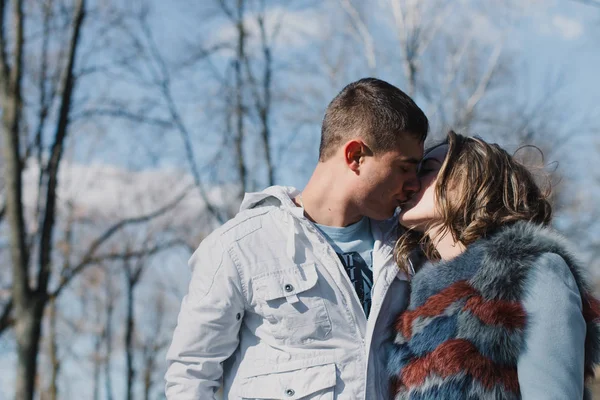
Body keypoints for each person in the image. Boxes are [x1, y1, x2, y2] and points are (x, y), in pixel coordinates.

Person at [165, 77, 429, 399]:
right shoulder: (238, 248)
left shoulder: (408, 248)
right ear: (356, 156)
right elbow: (190, 376)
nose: (414, 184)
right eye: (405, 167)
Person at [386, 131, 600, 399]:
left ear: (472, 181)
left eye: (427, 170)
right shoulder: (411, 298)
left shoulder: (531, 271)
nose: (411, 183)